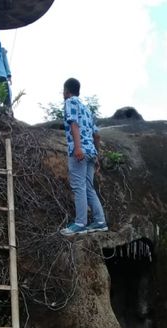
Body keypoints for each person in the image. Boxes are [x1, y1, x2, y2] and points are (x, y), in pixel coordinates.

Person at [59, 78, 108, 236]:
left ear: (67, 90)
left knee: (79, 187)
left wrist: (78, 147)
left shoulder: (70, 102)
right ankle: (100, 222)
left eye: (63, 90)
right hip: (91, 152)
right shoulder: (86, 109)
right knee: (88, 187)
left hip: (79, 151)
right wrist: (97, 156)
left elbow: (74, 124)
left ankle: (80, 223)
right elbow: (97, 135)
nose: (62, 93)